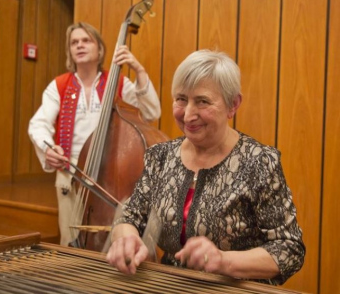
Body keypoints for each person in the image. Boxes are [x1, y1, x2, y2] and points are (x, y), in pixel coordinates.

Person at [105, 50, 305, 285]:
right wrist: (126, 239)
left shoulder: (259, 162)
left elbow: (289, 249)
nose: (188, 114)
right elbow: (130, 216)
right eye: (181, 99)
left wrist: (223, 261)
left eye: (202, 101)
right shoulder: (160, 156)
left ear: (233, 104)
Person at [28, 22, 161, 246]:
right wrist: (48, 148)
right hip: (71, 174)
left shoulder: (118, 83)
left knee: (113, 240)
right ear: (70, 51)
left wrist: (139, 70)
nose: (79, 45)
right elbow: (38, 124)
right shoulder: (59, 85)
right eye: (74, 42)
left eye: (86, 40)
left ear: (100, 49)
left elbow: (151, 112)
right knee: (70, 241)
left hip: (109, 177)